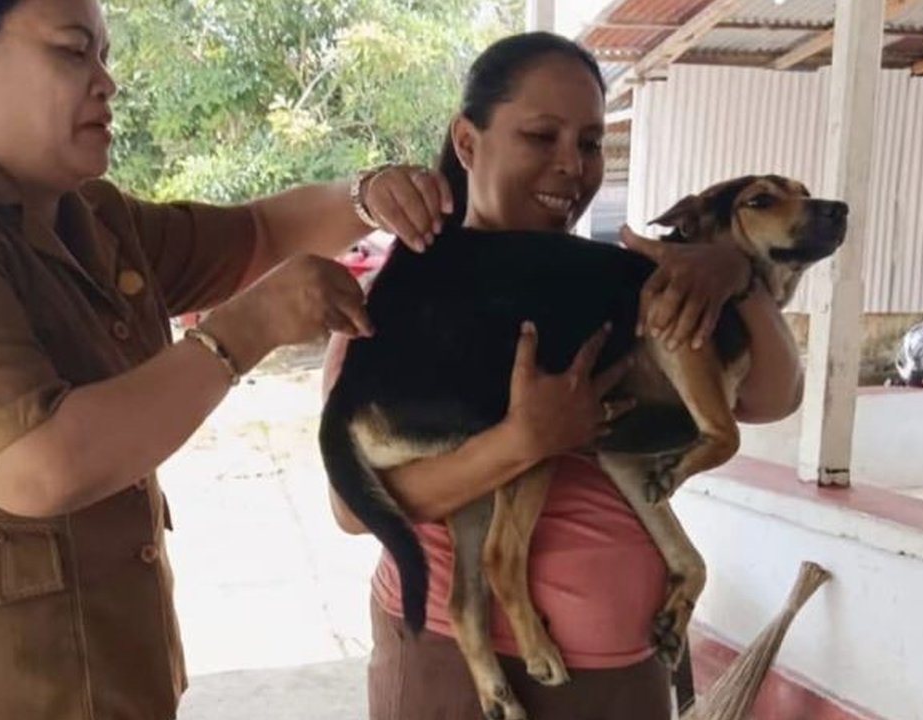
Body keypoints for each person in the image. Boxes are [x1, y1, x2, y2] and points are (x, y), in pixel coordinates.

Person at [0, 0, 452, 718]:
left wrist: (367, 197)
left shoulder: (90, 219)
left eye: (103, 54)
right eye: (73, 52)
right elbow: (40, 464)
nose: (106, 82)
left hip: (121, 679)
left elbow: (258, 231)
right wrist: (244, 329)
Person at [323, 31, 806, 720]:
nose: (570, 167)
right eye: (540, 137)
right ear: (468, 143)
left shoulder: (614, 285)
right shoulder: (412, 297)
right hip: (453, 670)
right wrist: (523, 440)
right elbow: (352, 507)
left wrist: (735, 276)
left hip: (624, 670)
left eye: (588, 144)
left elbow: (773, 395)